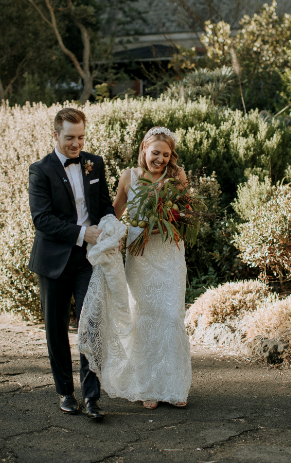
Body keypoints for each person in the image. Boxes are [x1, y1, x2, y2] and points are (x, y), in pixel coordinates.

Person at [28, 107, 115, 419]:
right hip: (53, 260)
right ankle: (65, 392)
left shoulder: (95, 164)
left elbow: (104, 205)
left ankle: (92, 397)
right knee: (55, 329)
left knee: (90, 325)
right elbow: (42, 220)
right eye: (69, 138)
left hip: (87, 260)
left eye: (80, 137)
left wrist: (111, 228)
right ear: (56, 135)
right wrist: (82, 233)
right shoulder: (40, 170)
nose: (76, 144)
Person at [109, 126, 192, 409]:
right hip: (140, 254)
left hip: (169, 254)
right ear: (144, 147)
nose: (160, 159)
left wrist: (171, 219)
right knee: (144, 317)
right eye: (155, 152)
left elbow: (186, 213)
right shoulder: (128, 177)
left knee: (170, 317)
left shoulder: (176, 177)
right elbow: (116, 210)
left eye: (166, 155)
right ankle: (148, 387)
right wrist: (109, 236)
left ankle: (173, 385)